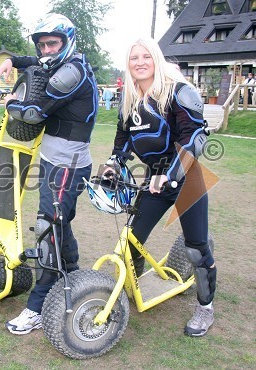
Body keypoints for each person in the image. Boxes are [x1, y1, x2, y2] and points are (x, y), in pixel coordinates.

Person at [103, 38, 216, 337]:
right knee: (131, 240)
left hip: (186, 175)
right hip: (154, 178)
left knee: (195, 249)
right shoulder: (128, 99)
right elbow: (122, 142)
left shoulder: (179, 92)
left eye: (145, 56)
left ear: (156, 59)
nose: (139, 62)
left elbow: (195, 139)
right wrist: (112, 166)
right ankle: (131, 290)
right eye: (133, 57)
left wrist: (170, 173)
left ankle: (205, 307)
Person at [0, 13, 98, 335]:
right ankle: (74, 272)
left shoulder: (71, 72)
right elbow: (41, 61)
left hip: (67, 165)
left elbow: (34, 112)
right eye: (41, 44)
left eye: (53, 42)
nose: (46, 49)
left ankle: (36, 307)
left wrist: (12, 102)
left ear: (67, 42)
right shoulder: (63, 63)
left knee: (47, 227)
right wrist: (13, 61)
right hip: (59, 161)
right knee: (59, 221)